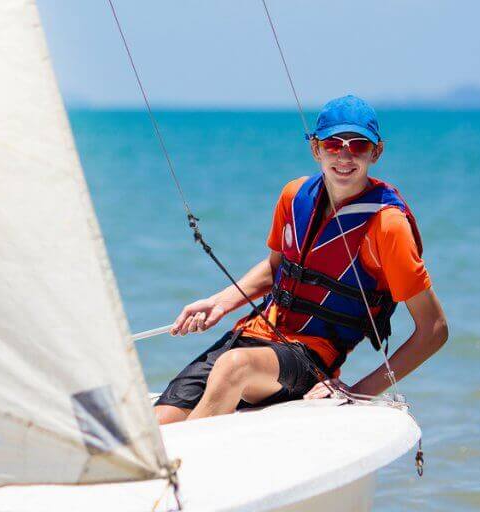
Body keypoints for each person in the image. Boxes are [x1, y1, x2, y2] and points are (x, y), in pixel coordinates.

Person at [154, 95, 448, 424]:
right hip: (253, 337)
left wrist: (359, 391)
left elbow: (434, 329)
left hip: (311, 360)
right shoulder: (294, 196)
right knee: (156, 423)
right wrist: (220, 302)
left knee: (233, 367)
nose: (345, 156)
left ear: (376, 152)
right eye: (334, 144)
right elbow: (275, 270)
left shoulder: (387, 225)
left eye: (359, 146)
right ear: (316, 149)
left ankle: (182, 473)